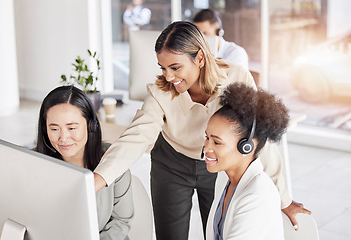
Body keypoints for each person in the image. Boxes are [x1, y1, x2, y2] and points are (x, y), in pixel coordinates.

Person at [93, 21, 308, 239]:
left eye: (175, 67)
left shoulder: (237, 77)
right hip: (171, 162)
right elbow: (135, 137)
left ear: (200, 58)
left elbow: (258, 138)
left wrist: (284, 199)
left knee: (216, 231)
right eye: (163, 68)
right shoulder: (162, 91)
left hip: (215, 163)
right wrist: (97, 181)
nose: (168, 76)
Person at [35, 86, 133, 240]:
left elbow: (121, 221)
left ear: (90, 125)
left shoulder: (113, 159)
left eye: (72, 127)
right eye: (54, 129)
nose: (64, 138)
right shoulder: (32, 163)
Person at [204, 82, 289, 239]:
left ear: (247, 146)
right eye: (206, 137)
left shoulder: (257, 195)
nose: (206, 148)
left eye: (216, 142)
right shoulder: (224, 178)